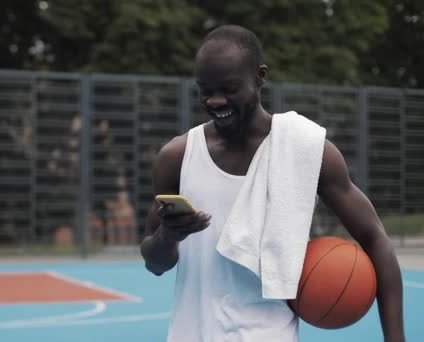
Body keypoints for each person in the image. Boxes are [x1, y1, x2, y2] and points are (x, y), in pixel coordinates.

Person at [139, 25, 405, 342]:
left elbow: (375, 238)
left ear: (260, 77)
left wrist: (395, 338)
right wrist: (168, 236)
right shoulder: (177, 157)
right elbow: (154, 263)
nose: (216, 100)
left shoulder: (305, 148)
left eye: (229, 88)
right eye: (205, 90)